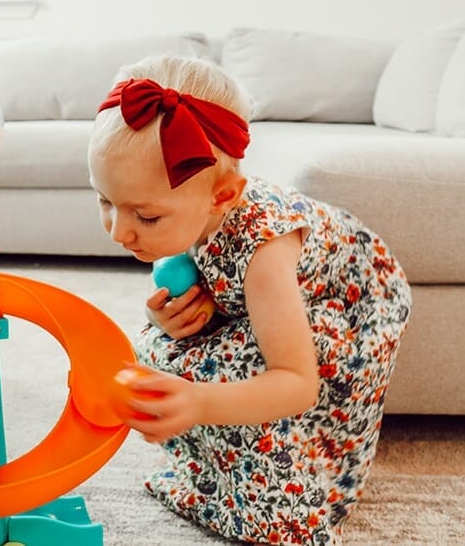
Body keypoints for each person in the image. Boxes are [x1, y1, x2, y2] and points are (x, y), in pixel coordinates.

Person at [88, 55, 411, 544]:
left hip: (346, 307)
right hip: (265, 294)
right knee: (160, 348)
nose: (119, 231)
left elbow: (298, 383)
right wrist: (160, 316)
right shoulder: (194, 207)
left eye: (146, 217)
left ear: (222, 198)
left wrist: (198, 402)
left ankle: (278, 494)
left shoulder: (264, 255)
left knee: (224, 377)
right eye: (105, 201)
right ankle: (214, 473)